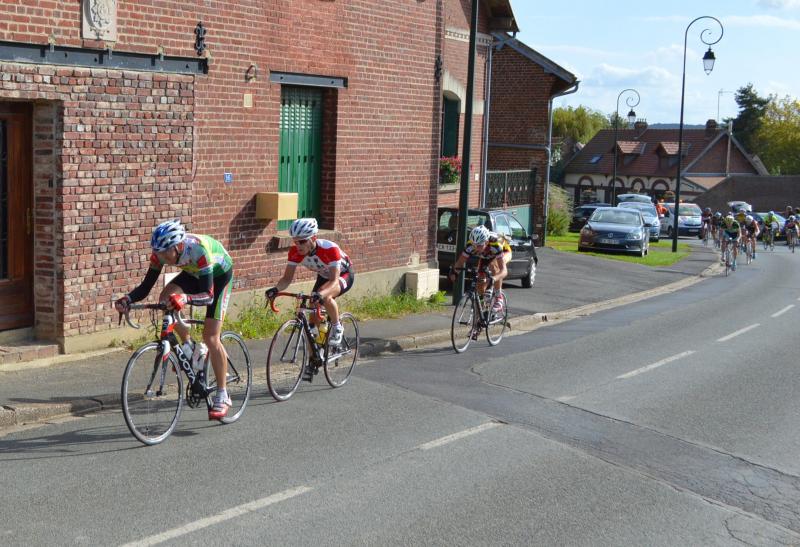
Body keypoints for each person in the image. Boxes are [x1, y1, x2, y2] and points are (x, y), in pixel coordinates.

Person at [114, 219, 235, 420]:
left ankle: (223, 395)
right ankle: (190, 347)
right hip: (193, 273)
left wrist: (185, 298)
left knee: (211, 337)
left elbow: (208, 296)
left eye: (164, 253)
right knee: (165, 298)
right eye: (158, 253)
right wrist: (128, 299)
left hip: (219, 276)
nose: (160, 257)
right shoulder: (160, 254)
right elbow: (146, 287)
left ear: (177, 246)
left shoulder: (198, 250)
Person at [265, 218, 354, 377]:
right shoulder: (295, 252)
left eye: (302, 241)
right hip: (323, 276)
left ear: (313, 238)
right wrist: (275, 289)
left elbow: (334, 281)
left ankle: (337, 326)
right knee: (311, 323)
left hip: (343, 275)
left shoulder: (330, 249)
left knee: (325, 296)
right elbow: (286, 279)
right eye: (295, 241)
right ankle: (314, 359)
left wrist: (321, 294)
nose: (298, 245)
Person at [448, 225, 511, 315]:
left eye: (479, 245)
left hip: (504, 252)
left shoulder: (495, 245)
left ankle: (498, 296)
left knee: (494, 266)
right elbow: (460, 262)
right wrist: (454, 273)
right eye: (474, 245)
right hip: (486, 256)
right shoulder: (470, 245)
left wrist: (494, 279)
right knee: (480, 282)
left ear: (486, 242)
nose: (476, 248)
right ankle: (481, 314)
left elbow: (504, 271)